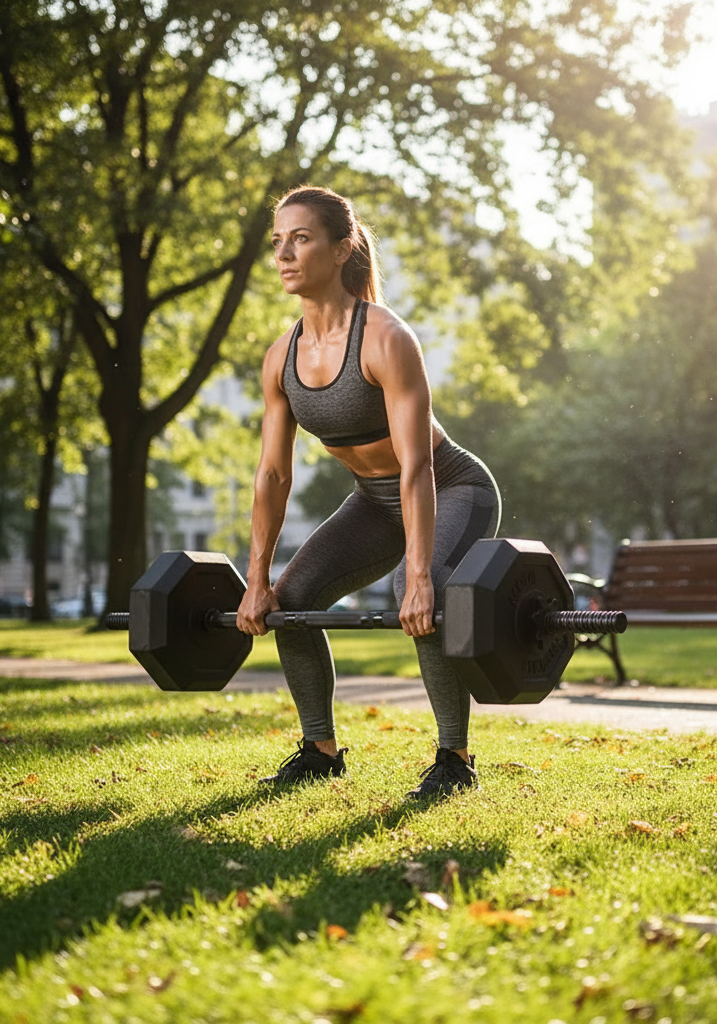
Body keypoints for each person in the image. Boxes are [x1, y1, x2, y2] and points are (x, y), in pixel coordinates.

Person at [236, 186, 501, 799]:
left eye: (301, 238)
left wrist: (418, 575)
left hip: (450, 486)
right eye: (278, 242)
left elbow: (417, 468)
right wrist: (257, 578)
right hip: (373, 501)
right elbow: (273, 475)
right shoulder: (282, 357)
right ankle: (321, 749)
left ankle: (454, 759)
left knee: (426, 596)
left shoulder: (385, 338)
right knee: (292, 600)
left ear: (341, 247)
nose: (285, 254)